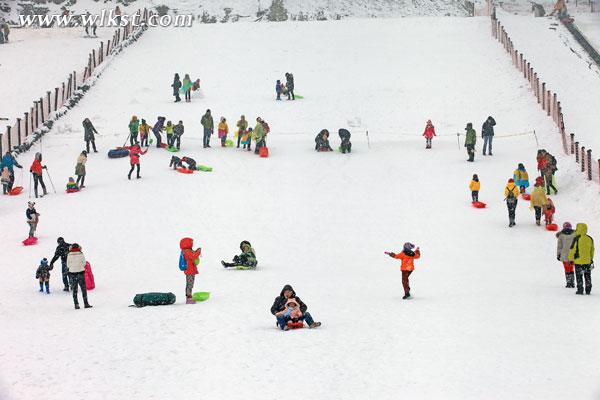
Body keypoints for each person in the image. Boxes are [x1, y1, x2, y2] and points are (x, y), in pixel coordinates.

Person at [568, 223, 594, 295]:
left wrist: (570, 259)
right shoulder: (590, 238)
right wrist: (591, 258)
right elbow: (592, 250)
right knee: (587, 275)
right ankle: (588, 289)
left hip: (578, 261)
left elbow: (572, 249)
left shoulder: (576, 239)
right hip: (587, 261)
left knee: (579, 276)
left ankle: (580, 289)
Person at [67, 243, 92, 309]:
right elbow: (84, 263)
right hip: (80, 273)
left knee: (75, 290)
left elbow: (68, 265)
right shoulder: (81, 254)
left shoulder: (69, 255)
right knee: (83, 289)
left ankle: (76, 304)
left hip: (72, 273)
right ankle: (86, 303)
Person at [179, 237, 201, 304]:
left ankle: (189, 297)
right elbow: (193, 256)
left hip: (190, 270)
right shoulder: (187, 251)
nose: (192, 244)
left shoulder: (187, 251)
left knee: (190, 283)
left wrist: (195, 251)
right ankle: (189, 298)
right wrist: (198, 252)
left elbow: (192, 255)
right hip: (190, 271)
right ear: (187, 244)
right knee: (190, 284)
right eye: (191, 243)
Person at [557, 222, 576, 288]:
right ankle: (572, 282)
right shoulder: (575, 234)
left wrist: (558, 254)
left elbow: (559, 246)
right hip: (572, 255)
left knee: (567, 268)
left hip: (564, 255)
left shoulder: (561, 235)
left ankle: (568, 282)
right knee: (571, 268)